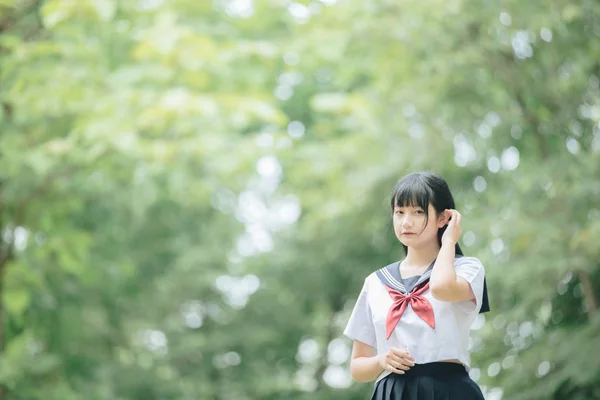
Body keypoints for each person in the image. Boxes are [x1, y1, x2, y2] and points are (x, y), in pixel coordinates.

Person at [343, 172, 490, 399]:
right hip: (392, 392)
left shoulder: (467, 269)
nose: (406, 222)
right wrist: (382, 360)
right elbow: (357, 367)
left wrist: (449, 240)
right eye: (399, 212)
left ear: (443, 218)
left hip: (449, 390)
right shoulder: (376, 282)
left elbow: (441, 287)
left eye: (418, 212)